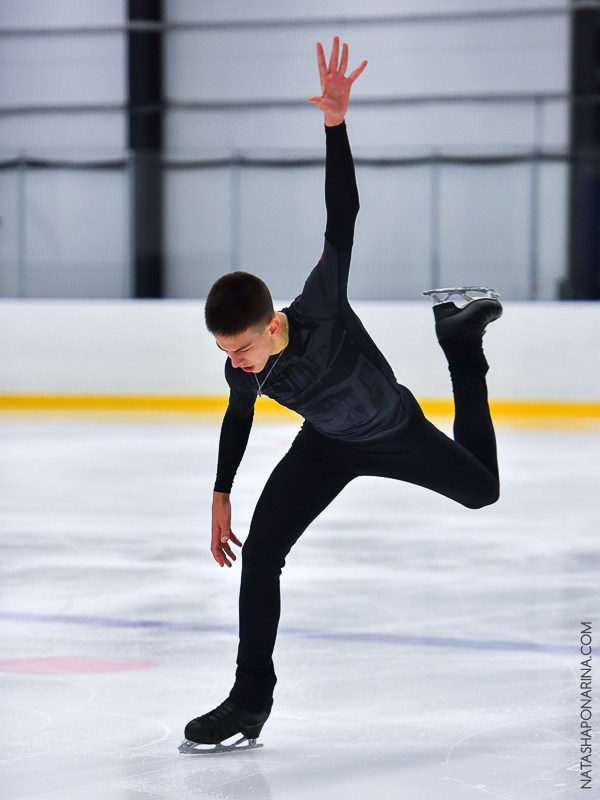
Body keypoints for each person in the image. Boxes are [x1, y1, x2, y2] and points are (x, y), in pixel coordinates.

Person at [179, 37, 502, 754]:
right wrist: (221, 491)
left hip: (395, 429)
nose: (236, 364)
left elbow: (342, 218)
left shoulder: (319, 304)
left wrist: (335, 124)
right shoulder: (245, 367)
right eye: (227, 354)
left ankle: (460, 351)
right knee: (263, 555)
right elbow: (238, 415)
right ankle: (248, 702)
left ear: (272, 322)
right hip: (327, 446)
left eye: (243, 349)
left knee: (484, 494)